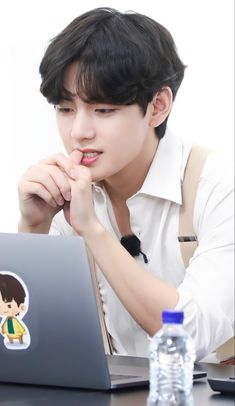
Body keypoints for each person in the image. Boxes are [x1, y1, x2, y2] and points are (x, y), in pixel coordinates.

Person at [18, 7, 234, 360]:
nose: (78, 132)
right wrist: (33, 228)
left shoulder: (219, 186)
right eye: (65, 108)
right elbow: (25, 341)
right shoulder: (63, 194)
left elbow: (187, 336)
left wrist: (92, 231)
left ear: (158, 106)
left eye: (103, 110)